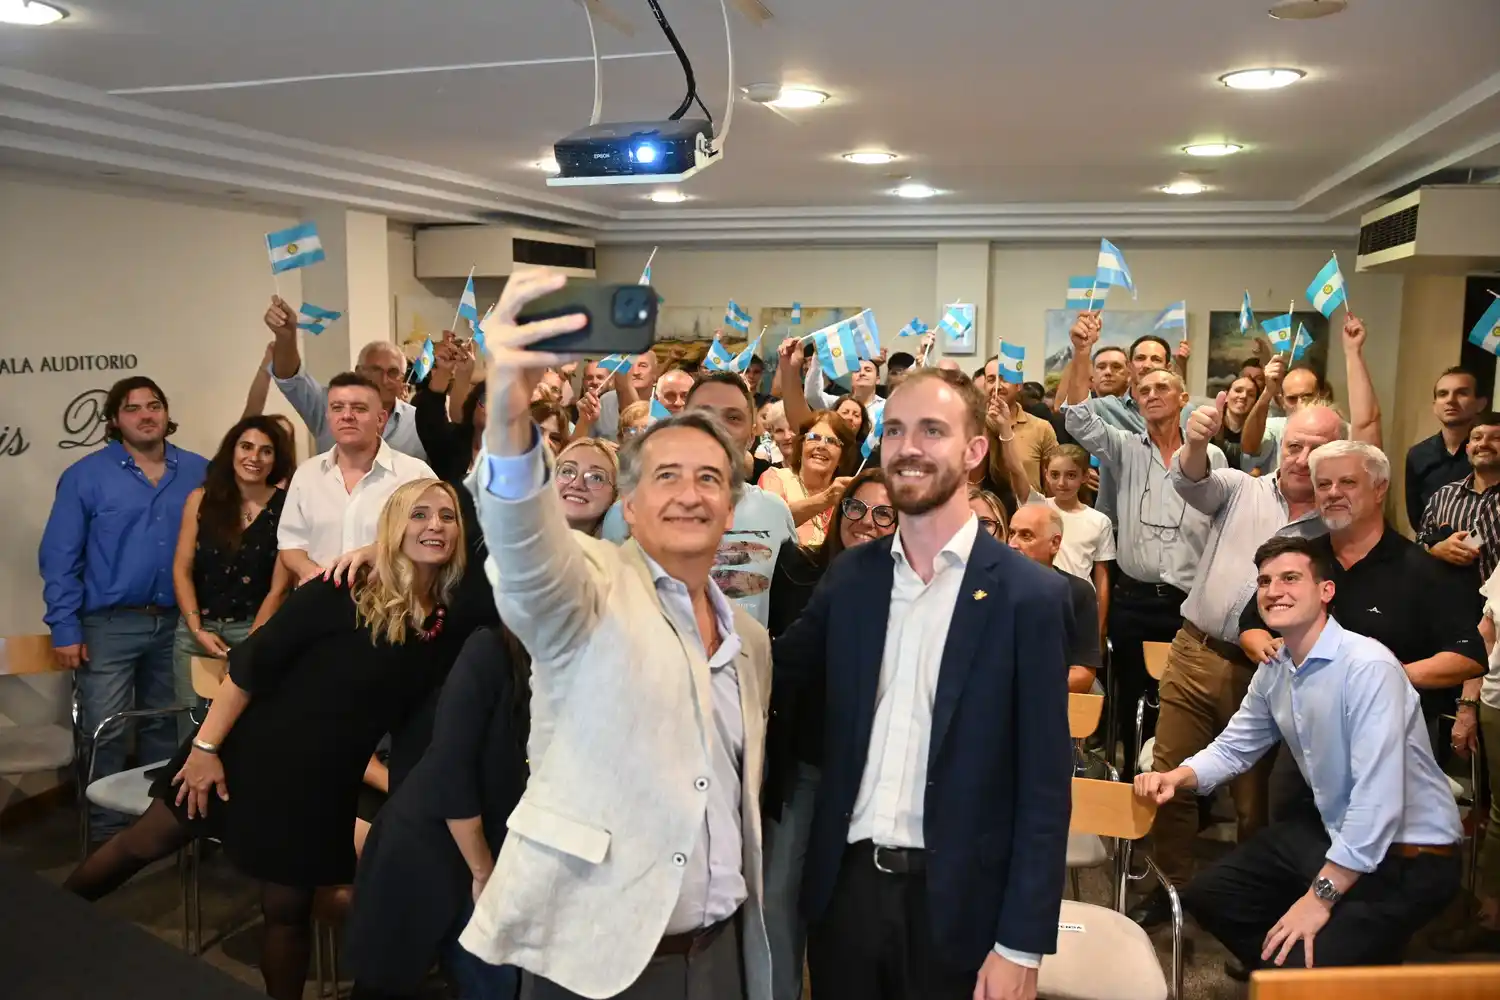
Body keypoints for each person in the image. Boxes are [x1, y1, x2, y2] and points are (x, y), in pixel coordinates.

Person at [461, 268, 776, 1000]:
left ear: (731, 506)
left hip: (721, 952)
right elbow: (527, 554)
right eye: (667, 476)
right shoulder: (591, 588)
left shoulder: (750, 643)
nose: (692, 493)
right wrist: (509, 410)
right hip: (601, 957)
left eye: (709, 479)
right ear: (628, 508)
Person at [65, 480, 477, 1000]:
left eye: (447, 517)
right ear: (394, 525)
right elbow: (248, 664)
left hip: (324, 783)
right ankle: (43, 920)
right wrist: (204, 751)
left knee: (287, 910)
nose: (435, 526)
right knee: (142, 844)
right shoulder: (344, 587)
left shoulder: (445, 617)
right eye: (418, 515)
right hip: (249, 755)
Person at [774, 367, 1072, 1000]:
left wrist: (1020, 943)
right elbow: (770, 673)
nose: (908, 447)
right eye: (895, 430)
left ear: (973, 451)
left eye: (932, 431)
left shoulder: (1029, 597)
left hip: (962, 901)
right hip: (847, 895)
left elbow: (1045, 787)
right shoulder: (852, 578)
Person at [1136, 536, 1462, 972]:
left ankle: (1320, 970)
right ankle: (1304, 971)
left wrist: (1319, 897)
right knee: (1210, 895)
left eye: (1291, 578)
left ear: (1326, 591)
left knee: (1301, 960)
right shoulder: (1276, 668)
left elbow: (1378, 801)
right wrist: (1179, 776)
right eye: (1265, 581)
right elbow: (1237, 746)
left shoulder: (1367, 667)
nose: (1274, 590)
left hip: (1411, 854)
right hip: (1335, 829)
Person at [1129, 399, 1346, 929]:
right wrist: (1198, 441)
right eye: (1294, 445)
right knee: (1170, 775)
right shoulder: (1241, 486)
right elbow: (1190, 481)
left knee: (1257, 805)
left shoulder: (1338, 525)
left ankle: (1257, 906)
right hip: (1196, 651)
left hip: (1275, 674)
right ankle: (1173, 888)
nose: (1301, 458)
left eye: (1315, 449)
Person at [39, 376, 211, 838]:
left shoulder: (199, 470)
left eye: (154, 405)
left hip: (178, 624)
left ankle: (152, 828)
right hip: (108, 626)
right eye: (133, 408)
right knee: (105, 731)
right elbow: (59, 557)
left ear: (166, 412)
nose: (146, 415)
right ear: (115, 419)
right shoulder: (86, 476)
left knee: (167, 727)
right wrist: (64, 628)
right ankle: (104, 833)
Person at [762, 469, 896, 1000]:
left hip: (871, 773)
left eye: (884, 513)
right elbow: (781, 664)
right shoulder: (797, 570)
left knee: (850, 909)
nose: (866, 523)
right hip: (805, 764)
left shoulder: (910, 589)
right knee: (778, 898)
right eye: (856, 510)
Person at [345, 625, 532, 1000]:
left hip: (498, 849)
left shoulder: (575, 669)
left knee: (494, 986)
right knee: (384, 987)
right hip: (428, 845)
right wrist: (482, 872)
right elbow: (451, 770)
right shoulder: (489, 649)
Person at [1065, 368, 1225, 753]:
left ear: (1183, 398)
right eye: (1144, 389)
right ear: (1135, 400)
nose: (1153, 394)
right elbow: (1076, 417)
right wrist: (1082, 352)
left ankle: (1185, 784)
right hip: (1134, 600)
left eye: (1163, 387)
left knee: (1184, 702)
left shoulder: (1212, 454)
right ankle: (1129, 780)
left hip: (1186, 603)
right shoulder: (1124, 447)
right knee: (1131, 697)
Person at [600, 372, 798, 629]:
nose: (717, 426)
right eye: (703, 414)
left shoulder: (775, 512)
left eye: (733, 417)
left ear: (751, 436)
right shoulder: (626, 513)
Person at [170, 416, 295, 738]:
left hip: (256, 631)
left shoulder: (288, 507)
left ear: (276, 459)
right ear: (232, 450)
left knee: (249, 731)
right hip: (195, 634)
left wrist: (252, 643)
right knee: (191, 730)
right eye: (247, 446)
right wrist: (196, 628)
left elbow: (279, 589)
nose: (254, 457)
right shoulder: (201, 499)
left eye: (266, 451)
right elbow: (182, 568)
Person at [278, 372, 435, 583]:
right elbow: (291, 543)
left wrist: (382, 553)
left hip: (392, 605)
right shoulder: (307, 475)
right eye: (337, 408)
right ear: (328, 416)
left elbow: (436, 538)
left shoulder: (415, 474)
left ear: (381, 419)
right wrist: (310, 573)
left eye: (359, 408)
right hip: (321, 602)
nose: (347, 415)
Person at [262, 296, 427, 461]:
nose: (384, 380)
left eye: (392, 372)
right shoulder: (328, 405)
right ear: (358, 372)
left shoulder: (419, 422)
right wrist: (286, 337)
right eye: (375, 371)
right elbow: (290, 378)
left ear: (402, 379)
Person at [1239, 315, 1383, 472]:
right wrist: (1268, 392)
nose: (1301, 404)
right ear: (1282, 401)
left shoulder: (1340, 430)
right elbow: (1249, 447)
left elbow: (1368, 437)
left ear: (1321, 395)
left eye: (1307, 396)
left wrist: (1353, 352)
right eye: (1292, 399)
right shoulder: (1275, 428)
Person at [1008, 502, 1102, 694]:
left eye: (1026, 536)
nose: (1012, 544)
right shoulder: (989, 589)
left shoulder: (1077, 592)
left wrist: (1022, 689)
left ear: (1055, 543)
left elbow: (1083, 675)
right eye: (1011, 533)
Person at [1418, 410, 1500, 584]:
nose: (1484, 444)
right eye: (1477, 438)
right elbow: (1418, 543)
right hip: (1450, 604)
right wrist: (1436, 548)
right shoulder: (1443, 496)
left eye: (1496, 438)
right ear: (1468, 448)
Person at [757, 411, 857, 546]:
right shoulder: (775, 477)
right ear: (801, 445)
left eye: (832, 441)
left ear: (842, 457)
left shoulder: (845, 496)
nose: (821, 446)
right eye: (813, 437)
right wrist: (825, 499)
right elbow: (771, 521)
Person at [1406, 367, 1487, 534]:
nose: (1451, 400)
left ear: (1481, 404)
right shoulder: (1418, 455)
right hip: (1434, 551)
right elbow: (1417, 517)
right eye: (1443, 394)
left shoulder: (1490, 453)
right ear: (1435, 406)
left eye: (1461, 393)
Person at [1043, 446, 1114, 618]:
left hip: (1080, 605)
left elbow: (1102, 576)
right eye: (1054, 475)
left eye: (1071, 475)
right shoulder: (1038, 507)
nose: (1061, 483)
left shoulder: (1099, 521)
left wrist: (1100, 626)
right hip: (1041, 598)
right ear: (1046, 474)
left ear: (1085, 477)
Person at [980, 355, 1057, 492]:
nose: (997, 386)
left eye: (1005, 379)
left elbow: (1052, 484)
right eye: (991, 380)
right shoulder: (972, 426)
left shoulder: (1041, 428)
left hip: (1028, 509)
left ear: (1019, 385)